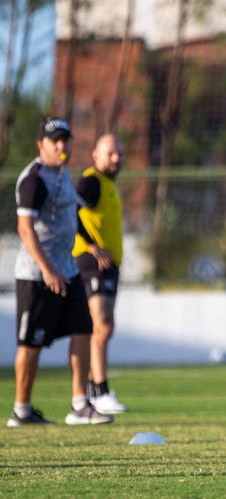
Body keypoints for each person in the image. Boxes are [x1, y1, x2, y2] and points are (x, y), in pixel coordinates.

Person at [8, 117, 114, 426]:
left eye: (65, 139)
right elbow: (25, 229)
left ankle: (80, 404)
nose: (61, 145)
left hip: (67, 269)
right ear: (41, 145)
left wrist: (92, 246)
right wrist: (47, 269)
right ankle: (22, 410)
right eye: (55, 140)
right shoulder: (34, 179)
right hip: (36, 274)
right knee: (31, 343)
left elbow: (73, 216)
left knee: (83, 330)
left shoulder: (63, 175)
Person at [72, 133, 128, 414]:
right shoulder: (92, 181)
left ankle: (96, 391)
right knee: (101, 326)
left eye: (119, 152)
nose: (116, 158)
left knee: (104, 327)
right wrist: (93, 247)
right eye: (110, 153)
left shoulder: (108, 184)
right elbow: (71, 210)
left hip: (108, 266)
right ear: (96, 155)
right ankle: (99, 392)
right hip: (91, 263)